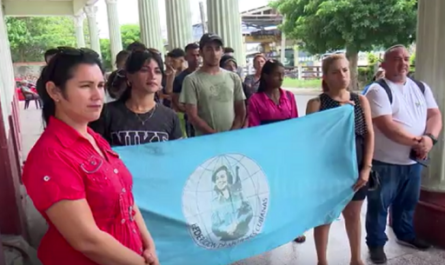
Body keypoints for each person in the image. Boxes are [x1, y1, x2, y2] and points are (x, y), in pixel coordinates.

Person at [22, 47, 158, 265]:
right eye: (85, 86)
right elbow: (87, 240)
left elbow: (126, 199)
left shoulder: (95, 138)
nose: (98, 96)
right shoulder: (50, 156)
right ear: (55, 91)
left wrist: (148, 244)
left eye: (100, 85)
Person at [365, 45, 442, 264]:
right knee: (379, 205)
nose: (403, 63)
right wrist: (420, 142)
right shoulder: (377, 90)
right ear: (384, 64)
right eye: (397, 59)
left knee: (408, 202)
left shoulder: (420, 87)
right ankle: (376, 244)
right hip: (384, 163)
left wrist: (429, 139)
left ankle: (405, 234)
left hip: (414, 161)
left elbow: (435, 114)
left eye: (407, 59)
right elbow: (387, 126)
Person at [305, 54, 374, 265]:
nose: (342, 75)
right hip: (327, 168)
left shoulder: (360, 100)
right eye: (335, 71)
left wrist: (366, 168)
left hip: (356, 166)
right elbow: (311, 140)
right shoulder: (316, 103)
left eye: (345, 70)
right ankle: (322, 261)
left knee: (353, 215)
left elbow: (369, 134)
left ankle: (356, 258)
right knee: (324, 217)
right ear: (325, 76)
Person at [247, 59, 305, 243]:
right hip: (268, 152)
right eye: (277, 74)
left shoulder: (289, 96)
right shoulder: (256, 100)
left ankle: (295, 227)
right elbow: (254, 130)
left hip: (287, 150)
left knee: (290, 189)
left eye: (283, 74)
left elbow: (295, 123)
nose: (281, 77)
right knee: (271, 189)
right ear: (266, 76)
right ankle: (271, 227)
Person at [90, 49, 182, 146]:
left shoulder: (170, 116)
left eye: (157, 71)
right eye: (144, 70)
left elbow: (176, 153)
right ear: (129, 76)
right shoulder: (106, 113)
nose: (152, 76)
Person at [180, 33, 246, 136]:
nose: (214, 53)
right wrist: (215, 135)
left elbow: (240, 111)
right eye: (209, 49)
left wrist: (232, 133)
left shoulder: (233, 77)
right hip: (206, 140)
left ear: (222, 51)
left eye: (217, 48)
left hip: (232, 138)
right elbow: (192, 116)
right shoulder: (191, 80)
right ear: (201, 52)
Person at [172, 43, 201, 137]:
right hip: (190, 120)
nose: (196, 58)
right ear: (186, 57)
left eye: (198, 55)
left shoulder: (207, 74)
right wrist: (192, 112)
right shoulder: (180, 78)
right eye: (192, 55)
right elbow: (176, 101)